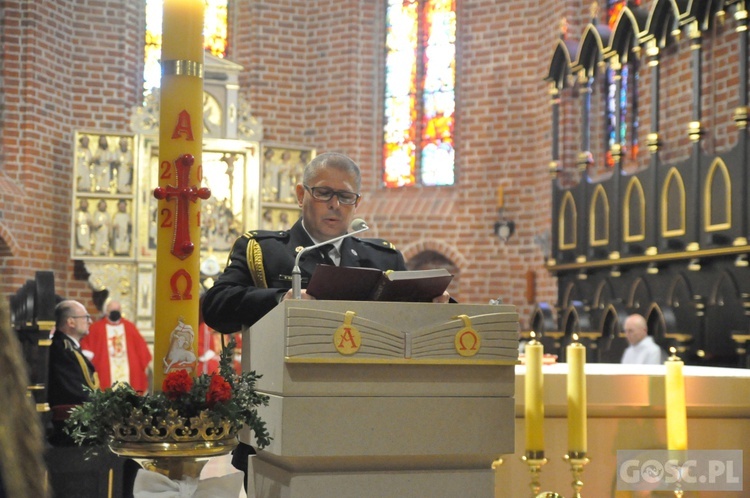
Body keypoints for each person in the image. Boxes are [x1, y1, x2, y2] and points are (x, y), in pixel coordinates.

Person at [202, 151, 450, 485]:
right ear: (301, 194)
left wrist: (441, 307)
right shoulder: (264, 250)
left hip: (369, 422)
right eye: (324, 193)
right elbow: (215, 306)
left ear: (356, 203)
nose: (335, 204)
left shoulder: (382, 258)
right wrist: (281, 299)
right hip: (285, 418)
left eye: (346, 196)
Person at [47, 300, 100, 446]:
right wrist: (101, 405)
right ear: (71, 322)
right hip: (71, 425)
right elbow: (72, 390)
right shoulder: (61, 348)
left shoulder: (69, 347)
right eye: (85, 317)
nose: (90, 321)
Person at [80, 300, 152, 394]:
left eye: (117, 310)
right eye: (112, 310)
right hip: (105, 373)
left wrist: (141, 364)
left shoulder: (129, 327)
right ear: (106, 312)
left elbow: (142, 349)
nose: (115, 312)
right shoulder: (96, 328)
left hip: (129, 375)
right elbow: (86, 345)